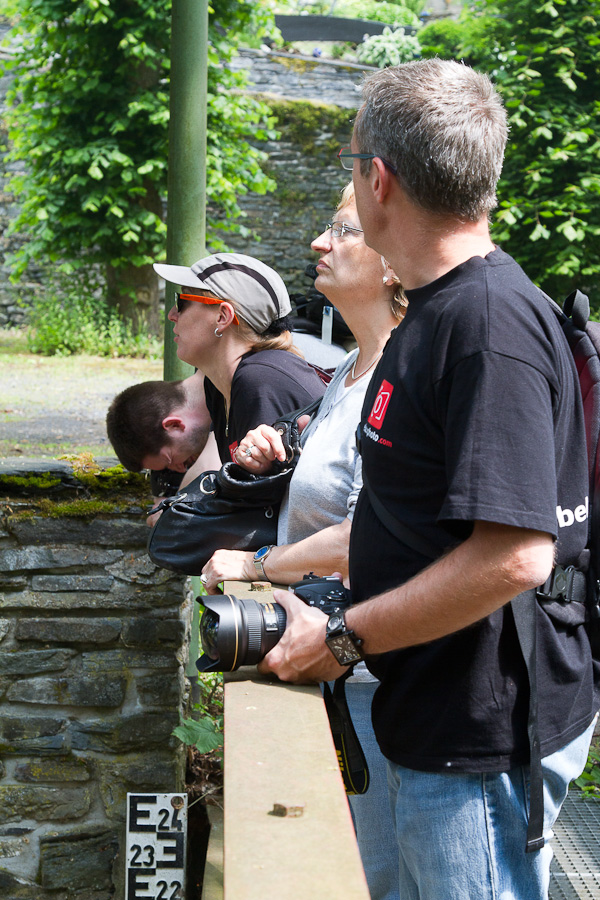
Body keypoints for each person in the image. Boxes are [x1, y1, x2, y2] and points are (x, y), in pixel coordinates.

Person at [253, 59, 599, 900]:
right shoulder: (436, 311)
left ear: (379, 179)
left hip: (475, 740)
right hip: (428, 719)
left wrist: (342, 639)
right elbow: (410, 525)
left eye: (350, 163)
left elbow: (517, 557)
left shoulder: (487, 326)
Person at [200, 183, 405, 900]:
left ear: (391, 262)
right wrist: (283, 451)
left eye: (343, 231)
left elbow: (370, 536)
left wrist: (255, 563)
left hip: (379, 674)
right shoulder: (350, 371)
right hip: (347, 670)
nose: (318, 243)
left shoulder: (402, 375)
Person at [106, 252, 326, 487]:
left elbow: (264, 506)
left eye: (182, 303)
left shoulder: (259, 380)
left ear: (222, 316)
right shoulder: (219, 386)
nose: (171, 315)